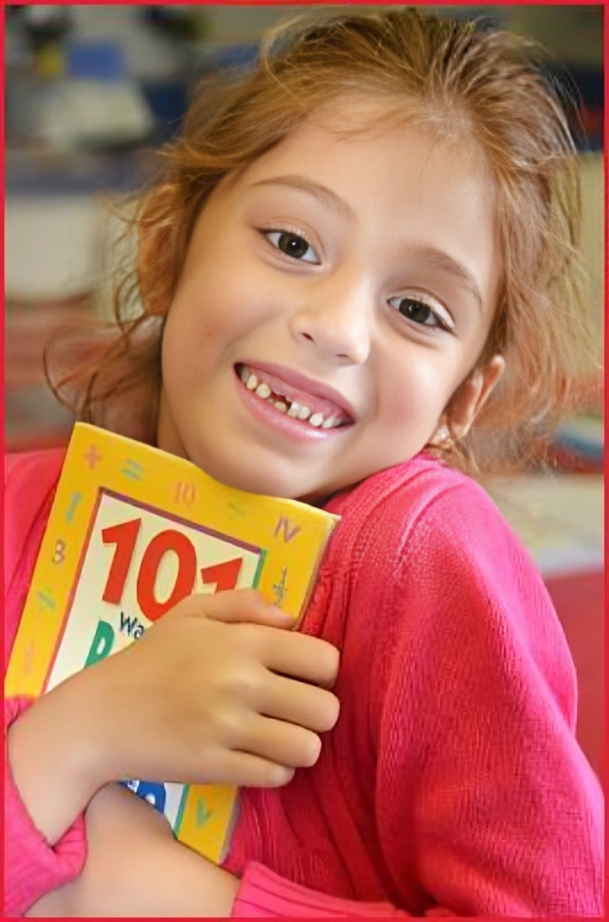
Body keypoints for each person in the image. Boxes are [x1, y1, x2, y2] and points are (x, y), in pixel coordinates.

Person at [5, 7, 603, 917]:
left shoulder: (428, 561)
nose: (336, 327)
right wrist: (70, 743)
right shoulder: (19, 510)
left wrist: (179, 899)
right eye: (291, 245)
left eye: (417, 309)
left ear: (462, 400)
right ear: (166, 251)